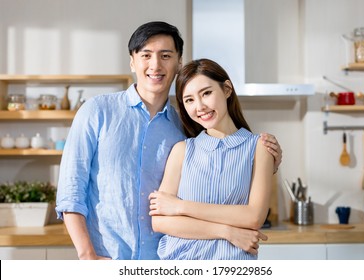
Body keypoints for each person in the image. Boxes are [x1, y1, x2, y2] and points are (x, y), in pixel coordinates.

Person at [55, 21, 282, 260]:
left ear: (178, 62)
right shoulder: (96, 111)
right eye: (146, 55)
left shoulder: (185, 126)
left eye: (165, 55)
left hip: (164, 260)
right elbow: (71, 190)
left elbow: (219, 163)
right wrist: (87, 255)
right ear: (132, 61)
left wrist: (267, 162)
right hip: (106, 257)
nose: (155, 65)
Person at [149, 58, 274, 260]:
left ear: (226, 89)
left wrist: (180, 207)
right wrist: (228, 231)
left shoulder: (260, 147)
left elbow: (254, 217)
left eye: (206, 93)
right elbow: (160, 222)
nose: (200, 107)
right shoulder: (181, 151)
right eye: (189, 100)